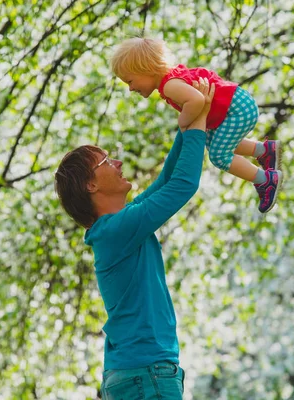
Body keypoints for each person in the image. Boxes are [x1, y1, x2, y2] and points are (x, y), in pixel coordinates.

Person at [54, 78, 215, 399]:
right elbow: (182, 185)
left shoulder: (116, 228)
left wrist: (191, 122)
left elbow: (167, 179)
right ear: (91, 186)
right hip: (147, 374)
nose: (118, 163)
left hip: (140, 373)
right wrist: (198, 120)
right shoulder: (116, 231)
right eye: (105, 162)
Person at [110, 37, 283, 213]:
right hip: (237, 105)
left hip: (236, 110)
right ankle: (264, 150)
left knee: (219, 156)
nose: (130, 89)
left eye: (130, 81)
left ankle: (266, 180)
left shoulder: (169, 85)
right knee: (213, 141)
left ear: (146, 69)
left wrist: (183, 121)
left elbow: (197, 99)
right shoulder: (172, 79)